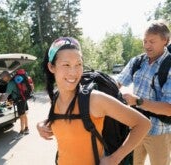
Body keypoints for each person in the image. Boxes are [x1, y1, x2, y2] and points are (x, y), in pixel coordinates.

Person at [37, 37, 151, 165]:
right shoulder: (56, 97)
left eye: (78, 64)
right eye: (66, 65)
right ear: (51, 67)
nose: (73, 72)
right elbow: (67, 123)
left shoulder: (94, 99)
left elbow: (143, 124)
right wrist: (42, 124)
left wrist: (114, 158)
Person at [116, 20, 171, 165]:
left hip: (159, 132)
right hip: (135, 129)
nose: (147, 45)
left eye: (152, 41)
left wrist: (137, 101)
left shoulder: (169, 67)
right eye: (145, 41)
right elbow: (117, 84)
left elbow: (169, 108)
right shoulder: (137, 61)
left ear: (165, 40)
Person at [0, 70, 29, 139]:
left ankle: (21, 132)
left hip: (20, 100)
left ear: (6, 76)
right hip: (24, 97)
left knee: (21, 115)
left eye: (3, 78)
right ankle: (26, 129)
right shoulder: (15, 80)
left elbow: (6, 95)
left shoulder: (10, 83)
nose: (3, 79)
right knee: (24, 114)